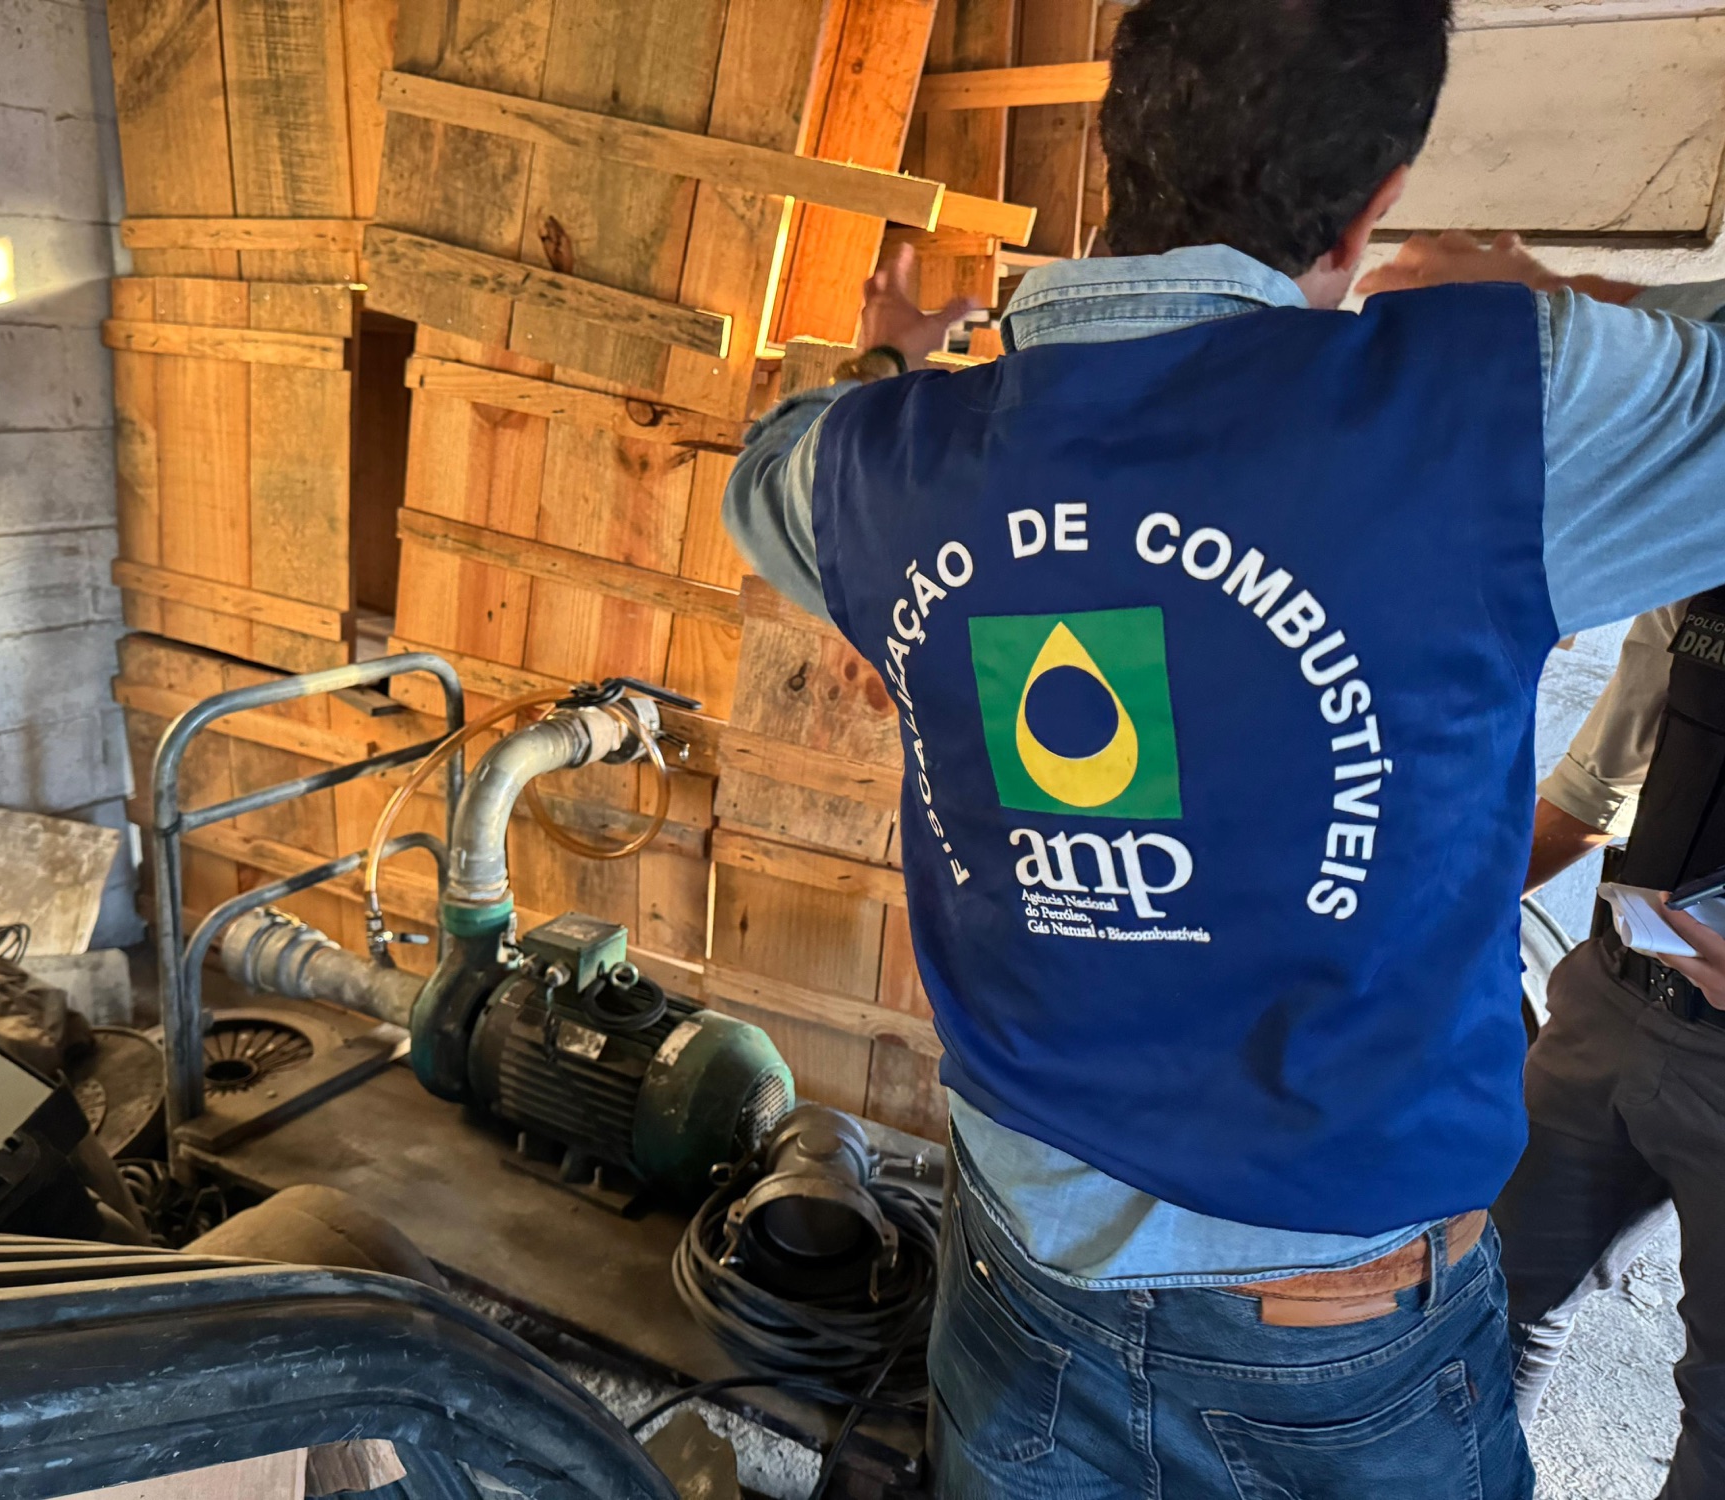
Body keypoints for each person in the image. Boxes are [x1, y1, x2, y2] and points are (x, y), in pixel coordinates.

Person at [719, 0, 1725, 1493]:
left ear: (1116, 148)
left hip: (1015, 1282)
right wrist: (1555, 296)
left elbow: (764, 473)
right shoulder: (1481, 407)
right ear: (1378, 205)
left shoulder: (887, 462)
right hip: (1339, 1330)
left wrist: (895, 364)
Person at [1498, 594, 1725, 1500]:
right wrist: (1438, 911)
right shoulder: (1702, 557)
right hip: (1610, 1005)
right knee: (1490, 1304)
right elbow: (1599, 787)